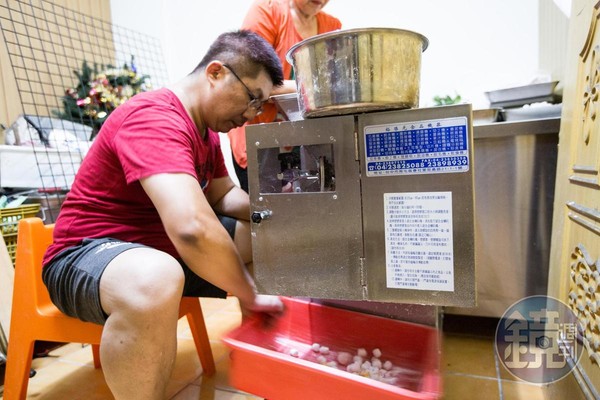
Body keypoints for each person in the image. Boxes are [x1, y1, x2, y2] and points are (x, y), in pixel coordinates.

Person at [41, 30, 285, 400]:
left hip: (157, 250)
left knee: (265, 236)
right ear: (216, 73)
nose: (251, 114)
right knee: (156, 276)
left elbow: (223, 196)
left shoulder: (203, 131)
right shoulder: (153, 117)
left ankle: (266, 367)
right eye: (253, 99)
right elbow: (190, 227)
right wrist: (247, 293)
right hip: (85, 254)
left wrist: (278, 212)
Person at [228, 0, 341, 192]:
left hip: (306, 138)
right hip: (261, 135)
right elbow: (250, 79)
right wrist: (315, 88)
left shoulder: (332, 27)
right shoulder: (268, 12)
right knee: (268, 209)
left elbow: (335, 84)